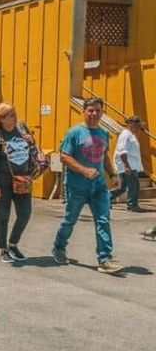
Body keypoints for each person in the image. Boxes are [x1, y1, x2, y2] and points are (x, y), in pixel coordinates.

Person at [52, 97, 122, 273]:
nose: (94, 114)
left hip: (98, 186)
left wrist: (112, 174)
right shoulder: (74, 133)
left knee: (103, 220)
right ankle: (59, 248)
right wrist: (83, 170)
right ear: (84, 112)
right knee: (70, 220)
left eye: (97, 110)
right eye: (90, 110)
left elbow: (104, 155)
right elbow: (64, 156)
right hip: (77, 185)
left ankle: (105, 258)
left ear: (102, 112)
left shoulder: (104, 133)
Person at [0, 103, 38, 263]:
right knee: (3, 216)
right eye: (11, 115)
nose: (15, 118)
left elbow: (32, 149)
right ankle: (3, 249)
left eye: (15, 114)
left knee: (25, 214)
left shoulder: (21, 129)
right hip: (2, 182)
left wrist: (31, 139)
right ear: (1, 119)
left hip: (22, 180)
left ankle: (13, 243)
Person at [110, 116, 146, 212]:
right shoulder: (126, 134)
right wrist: (126, 165)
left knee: (122, 187)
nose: (139, 128)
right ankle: (132, 205)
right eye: (138, 125)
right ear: (132, 125)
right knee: (134, 186)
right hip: (128, 165)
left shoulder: (131, 134)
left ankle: (105, 199)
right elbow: (122, 150)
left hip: (130, 165)